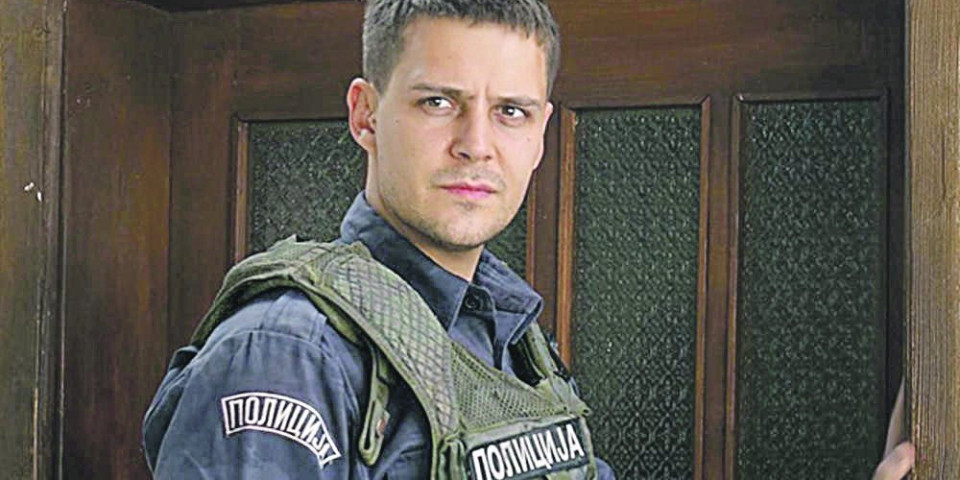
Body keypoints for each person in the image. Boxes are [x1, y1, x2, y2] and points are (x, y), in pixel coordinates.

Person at [141, 0, 915, 478]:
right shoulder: (287, 353)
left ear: (541, 133)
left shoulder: (511, 339)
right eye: (439, 102)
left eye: (509, 111)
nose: (477, 144)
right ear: (366, 115)